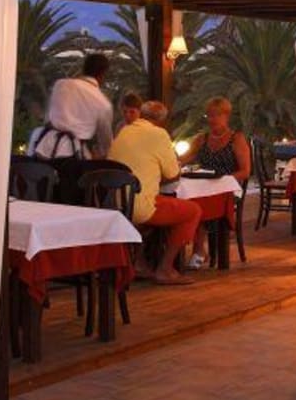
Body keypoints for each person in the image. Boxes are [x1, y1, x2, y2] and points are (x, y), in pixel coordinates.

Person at [109, 100, 201, 284]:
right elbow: (172, 174)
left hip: (114, 203)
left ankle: (138, 263)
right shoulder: (158, 134)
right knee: (192, 211)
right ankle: (165, 269)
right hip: (137, 206)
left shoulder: (124, 131)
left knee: (150, 212)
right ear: (161, 121)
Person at [179, 96, 252, 269]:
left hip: (227, 189)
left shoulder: (236, 139)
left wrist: (223, 181)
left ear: (226, 116)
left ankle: (198, 250)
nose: (212, 119)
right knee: (184, 202)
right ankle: (184, 249)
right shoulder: (201, 139)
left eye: (216, 115)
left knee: (199, 204)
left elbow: (245, 171)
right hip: (202, 187)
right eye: (209, 115)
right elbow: (182, 160)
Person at [33, 53, 115, 160]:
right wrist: (100, 154)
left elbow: (48, 116)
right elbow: (105, 141)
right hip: (73, 157)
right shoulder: (103, 103)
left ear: (83, 69)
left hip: (44, 149)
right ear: (103, 74)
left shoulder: (60, 84)